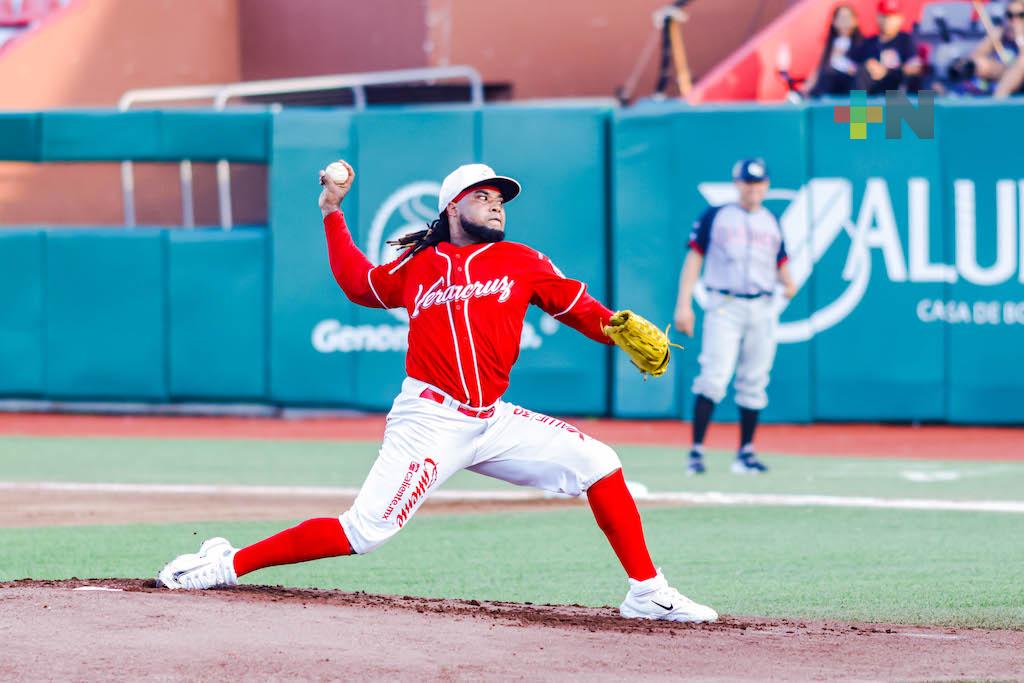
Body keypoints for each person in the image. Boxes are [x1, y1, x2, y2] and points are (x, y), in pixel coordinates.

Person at [155, 161, 718, 623]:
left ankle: (648, 591)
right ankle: (227, 563)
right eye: (484, 195)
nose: (497, 202)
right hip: (429, 421)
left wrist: (617, 329)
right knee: (364, 531)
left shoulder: (522, 261)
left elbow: (578, 308)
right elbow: (358, 284)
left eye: (502, 197)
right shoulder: (418, 266)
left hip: (492, 420)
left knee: (600, 462)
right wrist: (331, 213)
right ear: (453, 206)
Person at [673, 159, 796, 476]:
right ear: (736, 184)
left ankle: (746, 452)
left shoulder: (771, 221)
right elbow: (693, 259)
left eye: (758, 183)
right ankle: (697, 452)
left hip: (763, 305)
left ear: (766, 185)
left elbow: (780, 260)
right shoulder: (716, 216)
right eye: (747, 182)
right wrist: (684, 304)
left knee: (755, 380)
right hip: (725, 304)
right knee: (714, 377)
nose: (753, 188)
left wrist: (789, 281)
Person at [851, 0, 922, 95]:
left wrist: (886, 71)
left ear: (900, 19)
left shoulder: (906, 40)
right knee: (862, 72)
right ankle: (858, 109)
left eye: (892, 17)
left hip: (896, 86)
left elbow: (915, 68)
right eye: (884, 16)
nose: (887, 21)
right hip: (871, 87)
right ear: (877, 17)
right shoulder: (868, 42)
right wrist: (867, 66)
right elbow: (850, 65)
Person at [804, 4, 864, 98]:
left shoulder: (863, 44)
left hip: (851, 92)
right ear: (834, 21)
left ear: (855, 21)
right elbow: (819, 70)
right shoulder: (829, 46)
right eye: (841, 18)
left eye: (848, 18)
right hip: (829, 91)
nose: (844, 22)